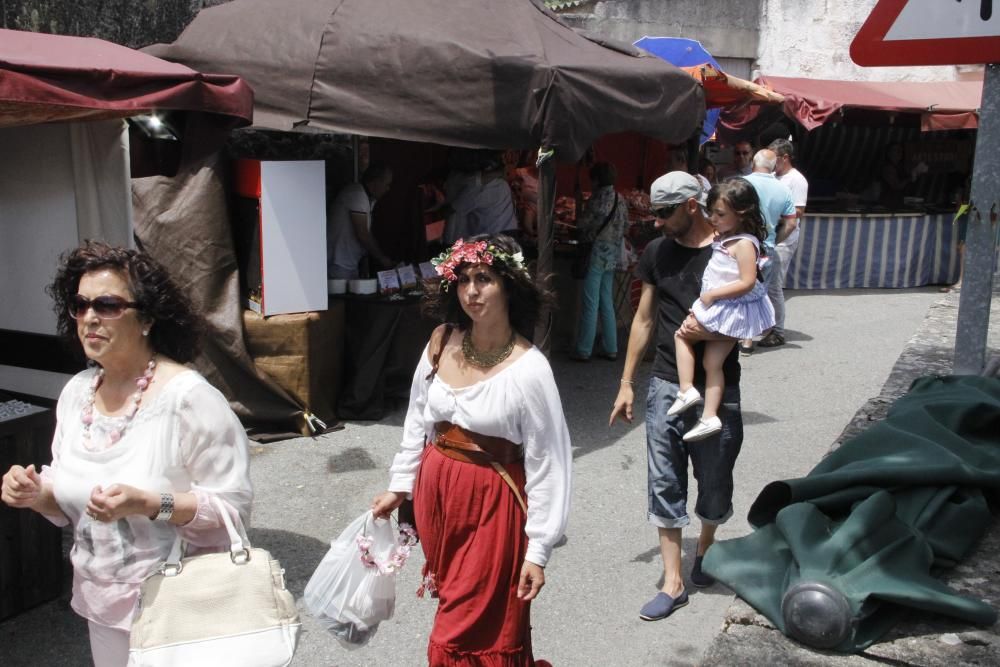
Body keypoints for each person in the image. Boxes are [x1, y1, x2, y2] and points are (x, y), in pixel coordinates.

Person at [0, 241, 253, 667]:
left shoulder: (188, 400)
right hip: (102, 603)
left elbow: (234, 511)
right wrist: (34, 492)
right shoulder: (77, 392)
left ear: (148, 318)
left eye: (109, 305)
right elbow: (64, 498)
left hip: (180, 603)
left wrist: (150, 503)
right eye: (79, 305)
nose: (90, 318)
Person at [370, 234, 571, 666]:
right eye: (462, 280)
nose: (471, 291)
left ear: (509, 286)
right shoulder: (442, 340)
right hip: (439, 500)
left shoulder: (530, 369)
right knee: (456, 604)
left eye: (484, 279)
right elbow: (416, 422)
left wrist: (538, 550)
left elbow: (549, 464)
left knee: (465, 625)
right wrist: (399, 486)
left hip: (492, 506)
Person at [609, 172, 745, 621]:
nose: (658, 222)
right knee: (664, 481)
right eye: (655, 212)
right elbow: (645, 320)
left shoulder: (729, 250)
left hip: (717, 388)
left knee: (715, 485)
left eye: (665, 213)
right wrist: (627, 382)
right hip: (667, 383)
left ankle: (705, 548)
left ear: (691, 205)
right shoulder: (657, 253)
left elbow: (758, 311)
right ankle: (673, 581)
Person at [669, 180, 774, 441]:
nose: (713, 219)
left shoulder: (743, 244)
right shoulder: (731, 239)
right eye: (712, 212)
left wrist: (712, 294)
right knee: (712, 363)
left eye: (720, 214)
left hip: (727, 309)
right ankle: (709, 416)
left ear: (742, 214)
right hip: (727, 309)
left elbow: (748, 281)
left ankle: (686, 389)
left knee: (682, 335)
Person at [741, 149, 797, 352]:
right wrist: (774, 240)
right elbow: (791, 223)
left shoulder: (742, 184)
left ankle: (745, 336)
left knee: (741, 288)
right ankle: (773, 331)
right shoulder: (782, 189)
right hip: (768, 246)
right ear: (773, 166)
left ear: (753, 162)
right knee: (764, 291)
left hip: (742, 244)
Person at [572, 161, 628, 361]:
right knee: (606, 301)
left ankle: (584, 349)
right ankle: (611, 347)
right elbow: (626, 226)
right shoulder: (620, 199)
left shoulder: (596, 199)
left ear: (596, 180)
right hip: (612, 255)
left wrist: (579, 205)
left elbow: (582, 224)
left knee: (590, 302)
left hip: (596, 254)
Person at [327, 162, 395, 278]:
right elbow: (362, 234)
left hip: (349, 262)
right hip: (339, 262)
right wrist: (382, 258)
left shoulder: (369, 199)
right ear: (376, 182)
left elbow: (365, 235)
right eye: (386, 184)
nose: (388, 189)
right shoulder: (357, 194)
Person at [769, 138, 809, 287]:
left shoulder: (797, 180)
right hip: (769, 234)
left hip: (784, 237)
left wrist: (775, 214)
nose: (770, 161)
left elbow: (799, 210)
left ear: (785, 157)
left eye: (773, 157)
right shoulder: (772, 177)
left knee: (774, 285)